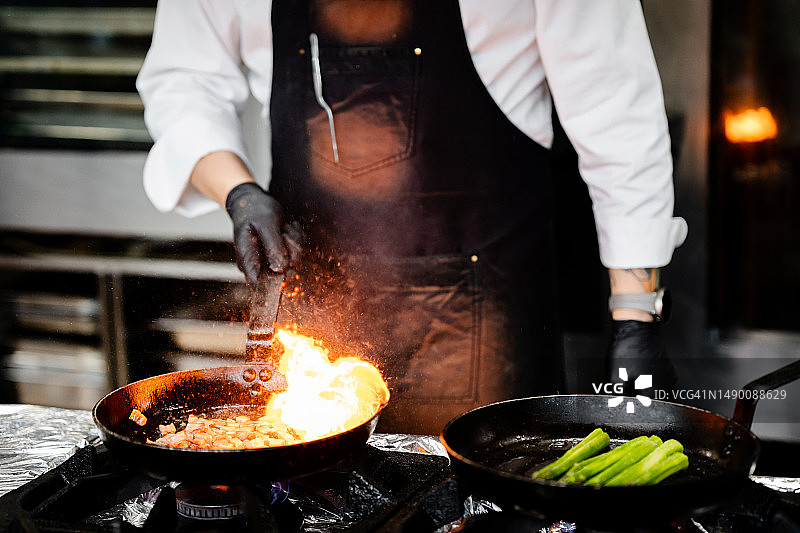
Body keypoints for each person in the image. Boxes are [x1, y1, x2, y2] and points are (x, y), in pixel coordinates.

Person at [137, 0, 687, 434]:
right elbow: (184, 82)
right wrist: (239, 194)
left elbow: (616, 111)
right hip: (320, 324)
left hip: (485, 330)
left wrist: (635, 316)